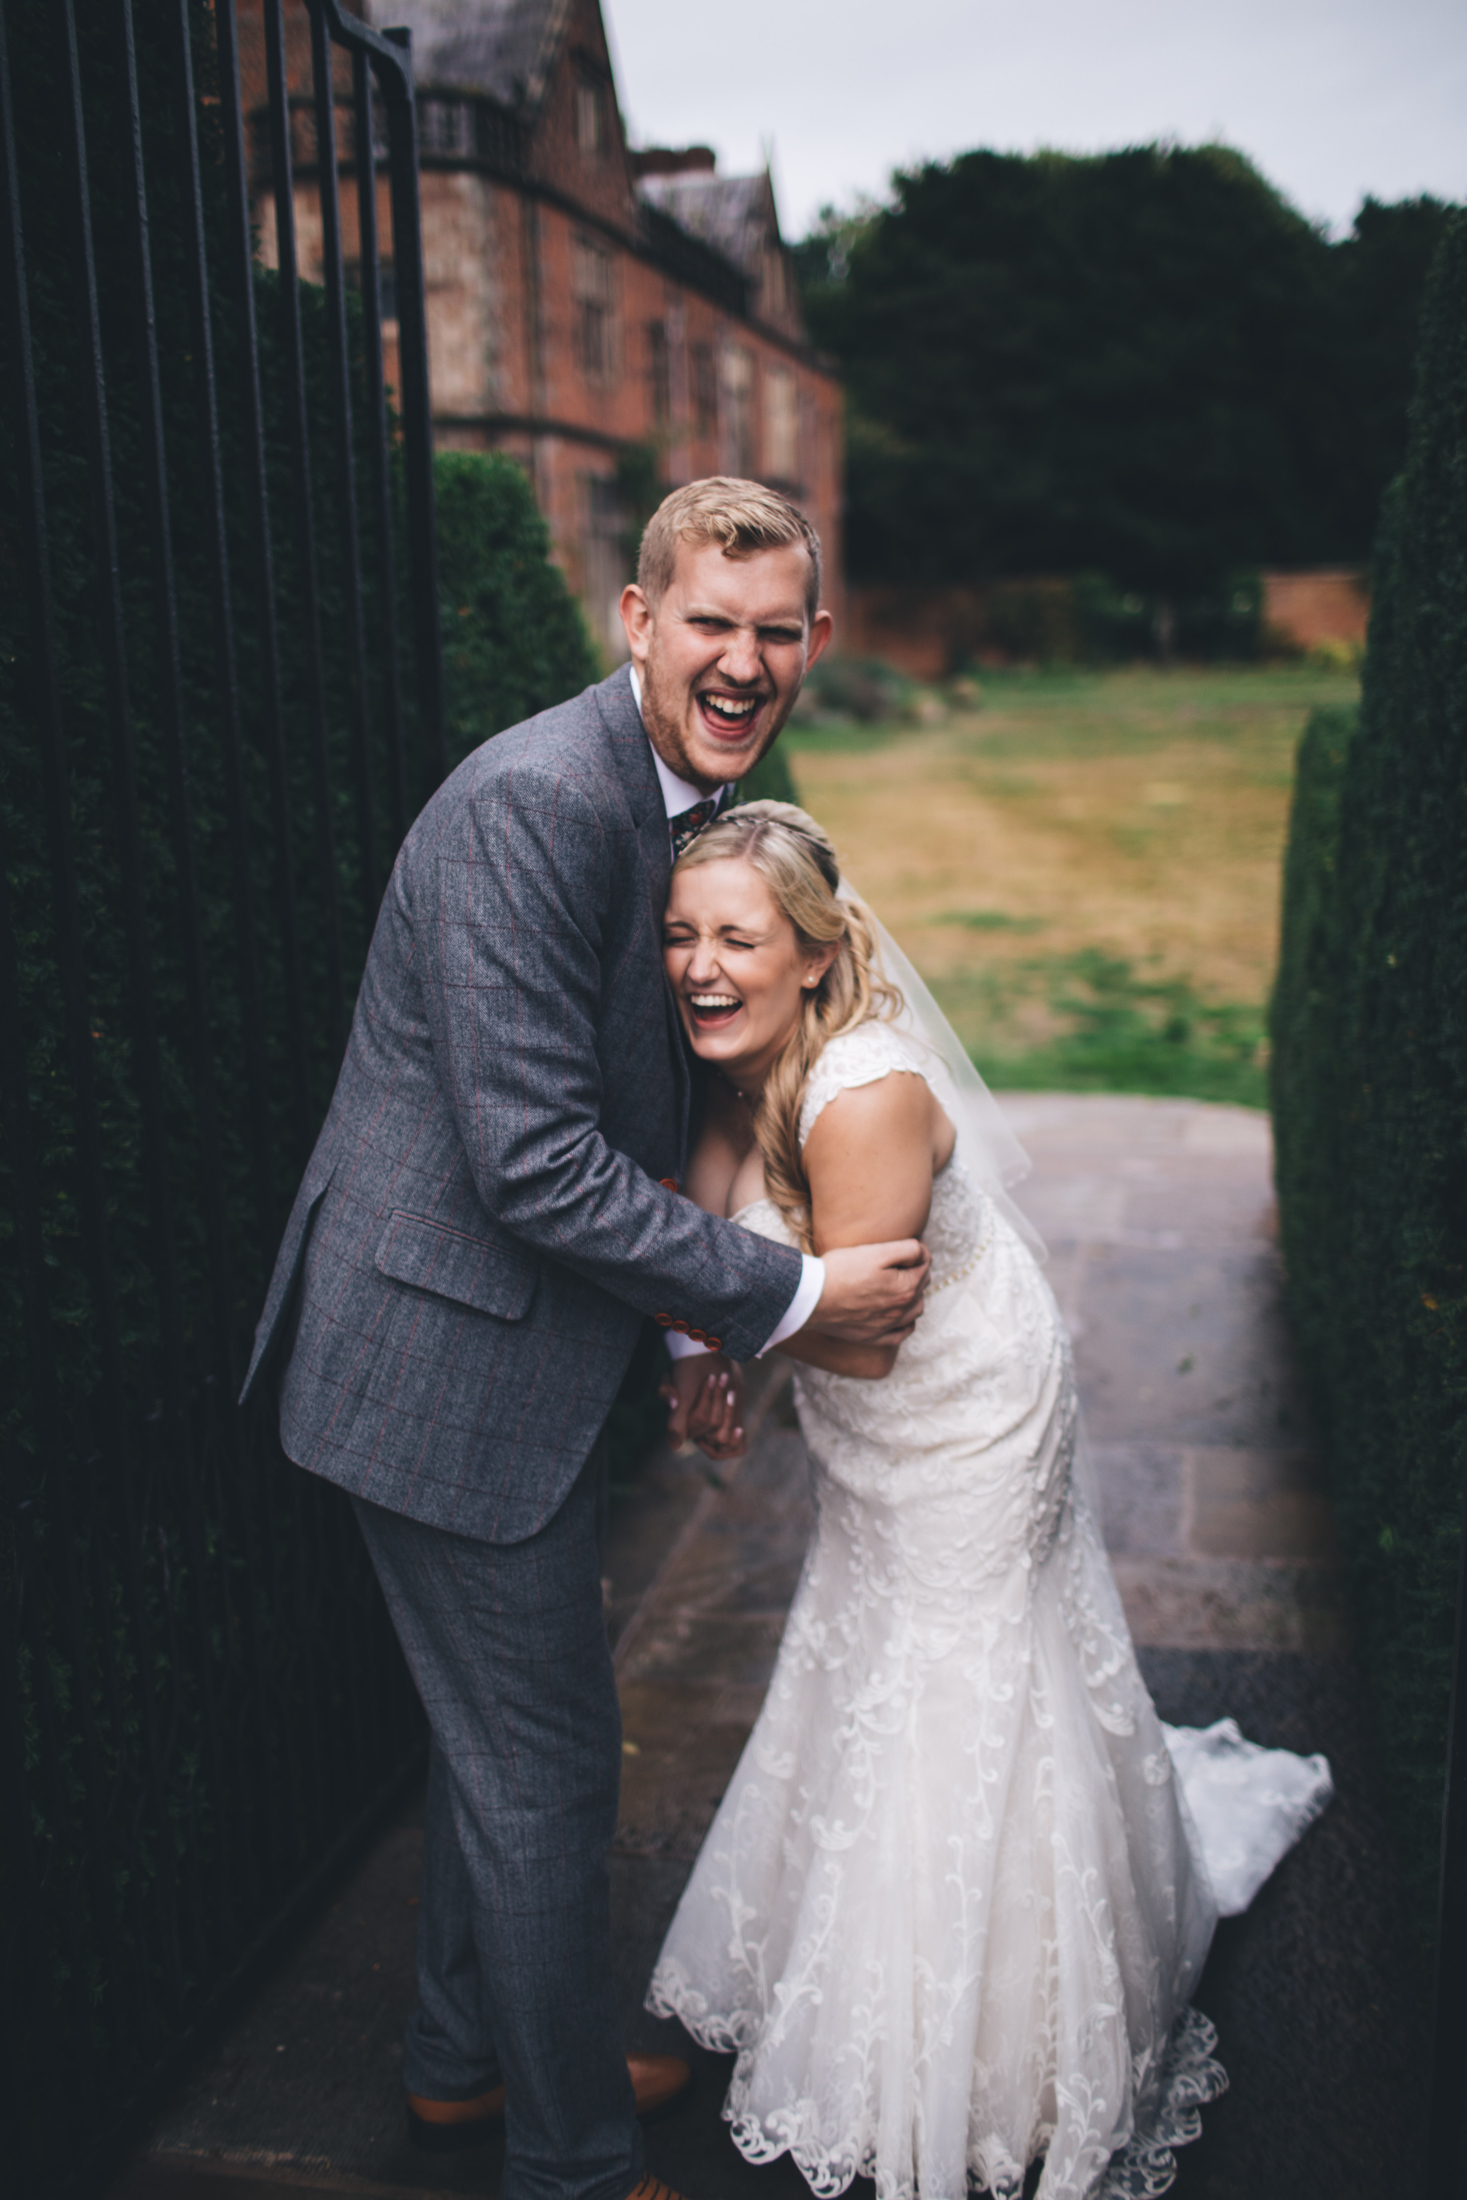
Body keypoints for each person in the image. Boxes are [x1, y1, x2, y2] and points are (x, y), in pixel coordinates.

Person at [241, 481, 932, 2200]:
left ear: (814, 647)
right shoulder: (540, 804)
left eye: (777, 632)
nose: (743, 659)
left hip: (520, 1352)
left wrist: (699, 1300)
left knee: (510, 1745)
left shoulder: (694, 797)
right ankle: (569, 2158)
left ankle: (469, 2064)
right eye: (711, 622)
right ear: (635, 620)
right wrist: (782, 1297)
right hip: (436, 1364)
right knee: (546, 1770)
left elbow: (667, 1069)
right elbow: (533, 1160)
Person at [646, 802, 1334, 2200]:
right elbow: (709, 1196)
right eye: (681, 935)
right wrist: (696, 1346)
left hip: (963, 1410)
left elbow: (860, 1328)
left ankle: (994, 2044)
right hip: (864, 1411)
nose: (700, 965)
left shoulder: (866, 1098)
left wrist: (720, 1329)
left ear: (817, 958)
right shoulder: (742, 1049)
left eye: (736, 937)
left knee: (959, 1667)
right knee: (867, 1640)